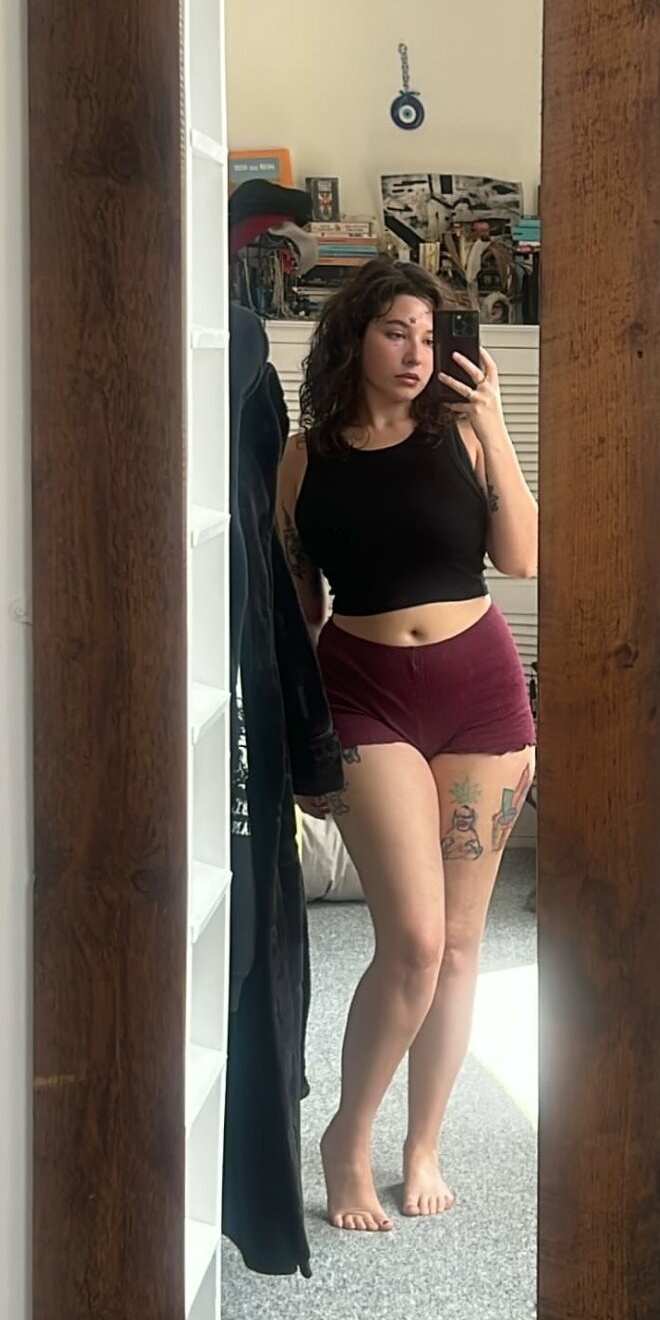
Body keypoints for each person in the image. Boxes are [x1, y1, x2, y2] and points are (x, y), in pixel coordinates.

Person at [276, 257, 538, 1233]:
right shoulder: (304, 458)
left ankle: (423, 1143)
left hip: (481, 695)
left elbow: (523, 558)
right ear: (355, 339)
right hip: (364, 694)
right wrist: (300, 742)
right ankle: (349, 1135)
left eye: (430, 336)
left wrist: (495, 423)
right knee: (415, 942)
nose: (417, 353)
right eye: (396, 331)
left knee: (463, 945)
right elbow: (297, 610)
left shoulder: (464, 435)